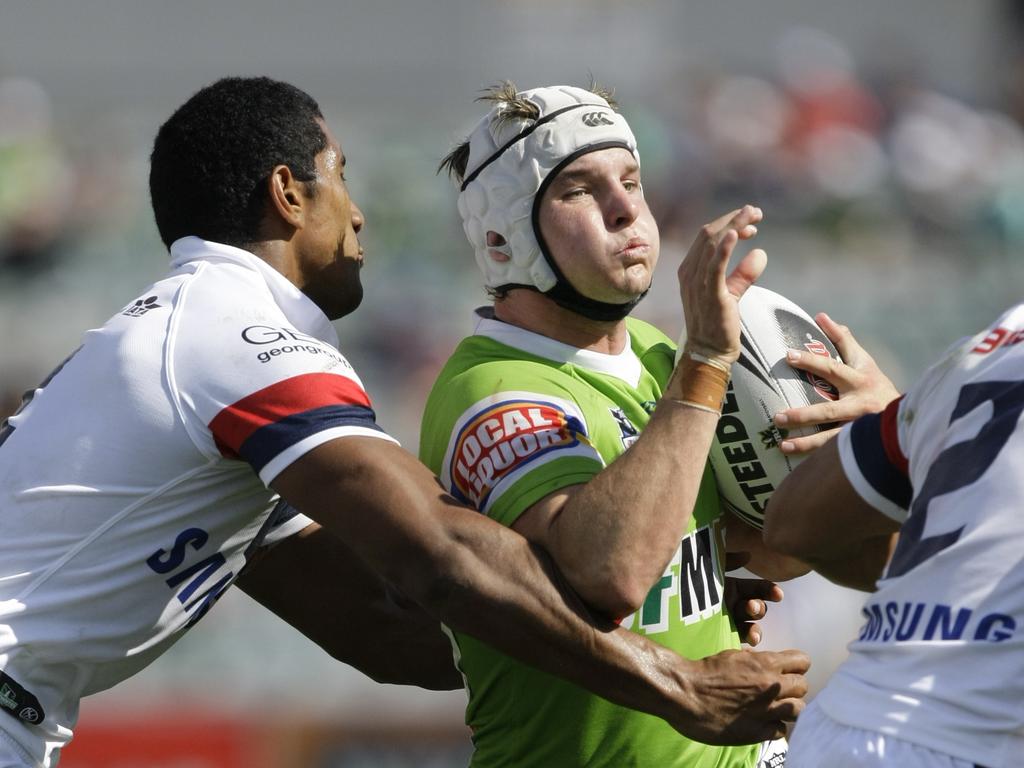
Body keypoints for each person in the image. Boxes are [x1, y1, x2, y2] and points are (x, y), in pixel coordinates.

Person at [0, 76, 810, 768]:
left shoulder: (191, 351)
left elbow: (384, 630)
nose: (359, 215)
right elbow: (443, 556)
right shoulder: (241, 340)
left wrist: (673, 601)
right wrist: (673, 681)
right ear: (289, 194)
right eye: (340, 176)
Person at [421, 82, 895, 767]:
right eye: (579, 190)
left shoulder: (654, 357)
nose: (625, 209)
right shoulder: (492, 393)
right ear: (502, 240)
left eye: (631, 180)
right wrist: (704, 359)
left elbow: (799, 552)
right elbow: (611, 575)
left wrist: (882, 440)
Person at [764, 305, 1024, 768]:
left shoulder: (992, 345)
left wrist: (902, 421)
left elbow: (789, 526)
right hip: (980, 742)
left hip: (841, 727)